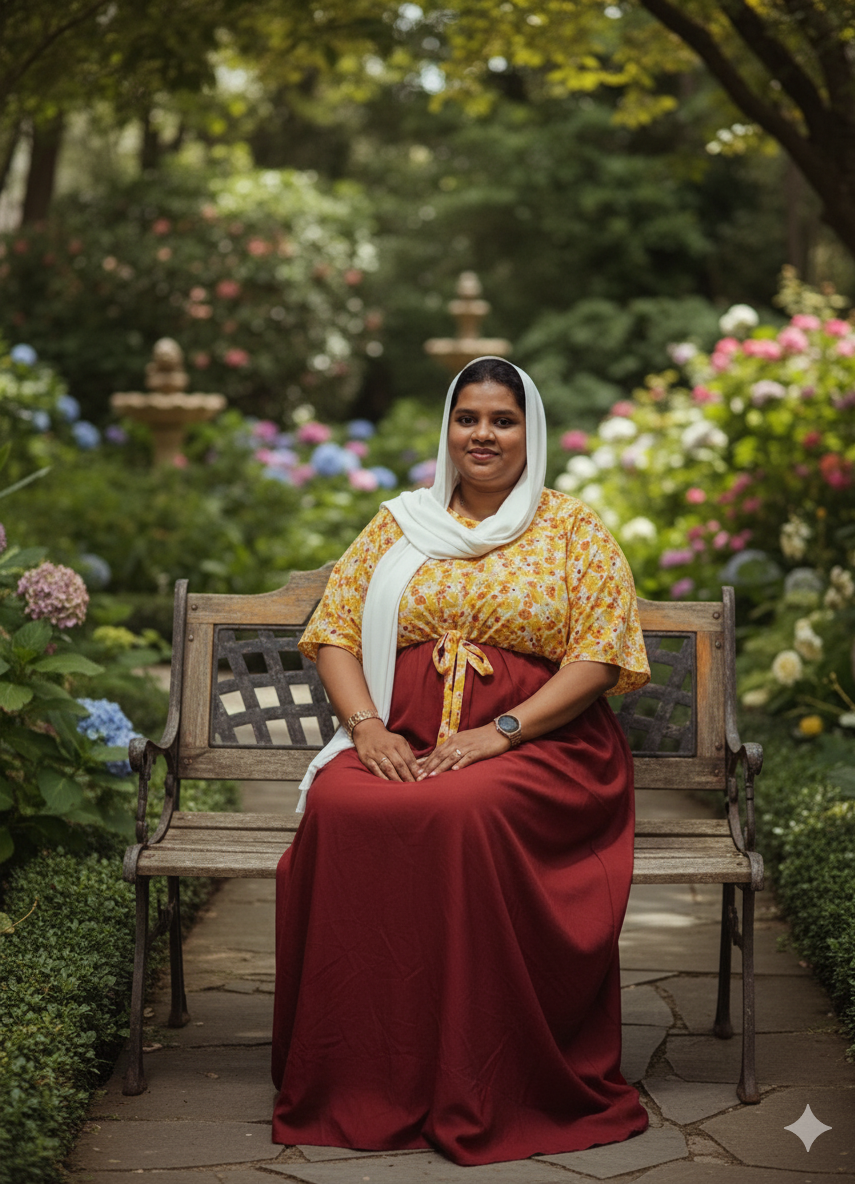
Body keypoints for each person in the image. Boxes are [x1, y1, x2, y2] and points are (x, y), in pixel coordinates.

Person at [271, 356, 652, 1166]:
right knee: (344, 803)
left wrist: (501, 730)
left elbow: (598, 658)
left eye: (502, 420)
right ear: (449, 427)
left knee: (459, 809)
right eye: (469, 418)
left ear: (530, 432)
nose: (483, 434)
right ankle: (364, 1075)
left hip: (546, 748)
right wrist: (368, 729)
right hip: (402, 733)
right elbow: (334, 632)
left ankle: (480, 1074)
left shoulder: (573, 529)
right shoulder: (399, 523)